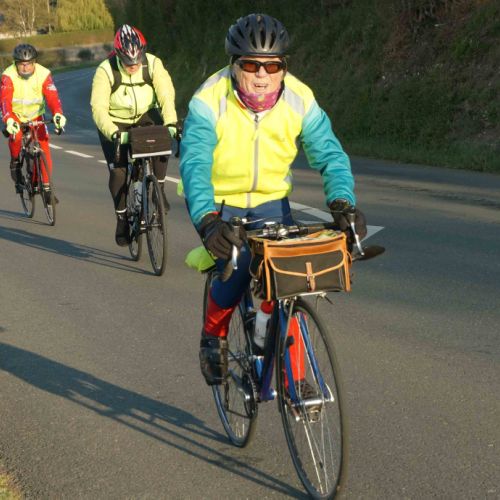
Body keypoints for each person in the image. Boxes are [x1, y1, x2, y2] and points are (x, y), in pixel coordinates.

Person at [180, 13, 368, 386]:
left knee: (290, 278)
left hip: (271, 201)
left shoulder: (300, 98)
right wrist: (207, 220)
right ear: (234, 65)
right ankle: (213, 335)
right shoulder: (208, 100)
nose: (262, 75)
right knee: (237, 269)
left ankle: (292, 378)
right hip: (221, 202)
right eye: (251, 65)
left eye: (273, 65)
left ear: (284, 67)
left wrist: (342, 203)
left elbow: (329, 154)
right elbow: (195, 163)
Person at [90, 24, 177, 246]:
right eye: (128, 63)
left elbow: (166, 94)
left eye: (137, 62)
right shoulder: (105, 70)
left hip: (146, 115)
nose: (133, 66)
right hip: (115, 122)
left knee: (162, 139)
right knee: (118, 171)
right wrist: (113, 133)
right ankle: (122, 218)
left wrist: (171, 122)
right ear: (118, 56)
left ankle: (159, 190)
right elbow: (98, 108)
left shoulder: (153, 64)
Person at [1, 43, 66, 200]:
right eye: (21, 64)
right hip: (15, 115)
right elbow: (5, 101)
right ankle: (15, 162)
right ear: (15, 63)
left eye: (29, 64)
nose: (25, 68)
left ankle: (46, 187)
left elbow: (52, 97)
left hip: (36, 115)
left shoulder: (44, 74)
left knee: (43, 145)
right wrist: (8, 119)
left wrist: (58, 114)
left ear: (34, 62)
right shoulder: (8, 75)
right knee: (16, 137)